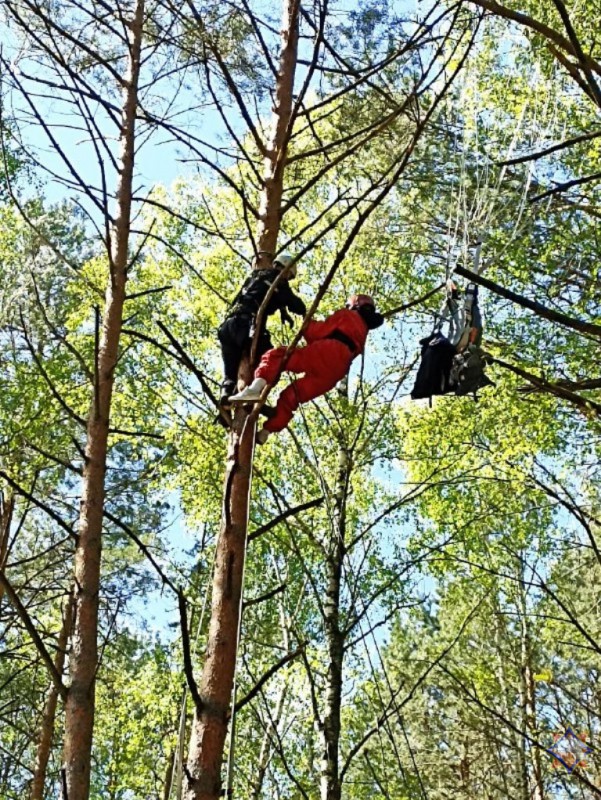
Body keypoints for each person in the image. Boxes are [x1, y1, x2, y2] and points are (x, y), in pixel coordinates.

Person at [229, 294, 384, 442]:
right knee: (294, 395)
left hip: (327, 351)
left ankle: (255, 388)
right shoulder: (363, 331)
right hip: (336, 371)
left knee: (278, 356)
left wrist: (306, 319)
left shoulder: (347, 315)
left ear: (354, 304)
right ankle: (266, 431)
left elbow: (316, 332)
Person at [217, 253, 306, 407]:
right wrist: (303, 311)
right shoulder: (278, 280)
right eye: (289, 276)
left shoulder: (256, 275)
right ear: (284, 269)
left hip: (227, 327)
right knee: (272, 358)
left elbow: (265, 293)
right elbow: (295, 303)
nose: (287, 280)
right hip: (246, 325)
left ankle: (226, 397)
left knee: (230, 374)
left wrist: (283, 312)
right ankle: (252, 393)